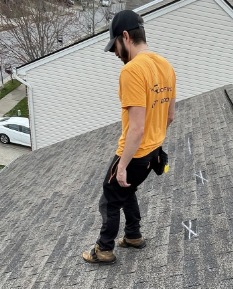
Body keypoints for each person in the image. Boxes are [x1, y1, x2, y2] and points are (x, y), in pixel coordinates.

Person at [82, 10, 176, 264]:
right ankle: (133, 235)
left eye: (114, 46)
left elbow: (136, 128)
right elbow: (169, 116)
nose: (114, 53)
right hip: (152, 153)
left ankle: (103, 249)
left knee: (110, 199)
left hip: (135, 152)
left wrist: (122, 165)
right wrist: (155, 144)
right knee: (127, 189)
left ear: (125, 36)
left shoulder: (132, 71)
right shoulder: (165, 66)